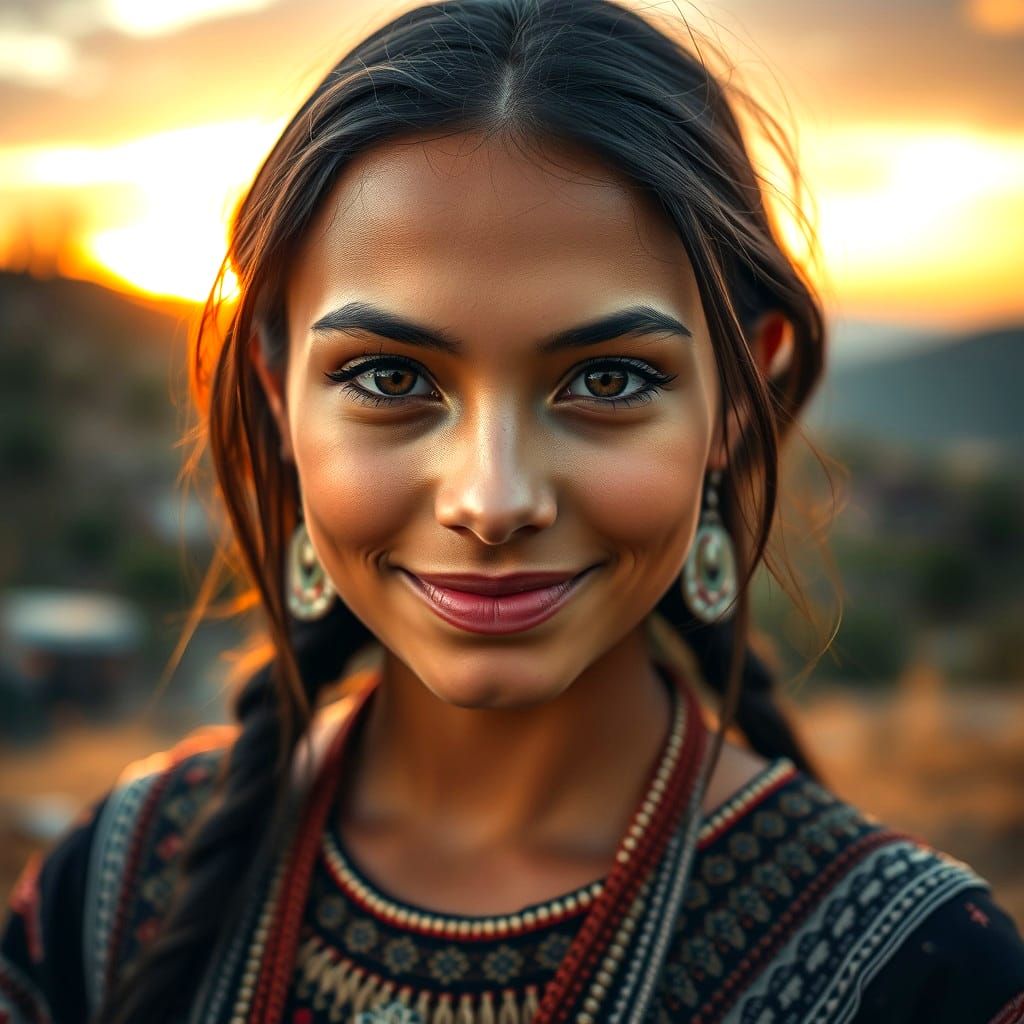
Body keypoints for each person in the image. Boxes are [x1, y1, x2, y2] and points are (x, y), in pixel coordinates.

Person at [3, 0, 1024, 1021]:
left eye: (609, 381)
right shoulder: (112, 890)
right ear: (278, 394)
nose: (492, 502)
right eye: (391, 377)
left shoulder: (924, 973)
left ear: (735, 394)